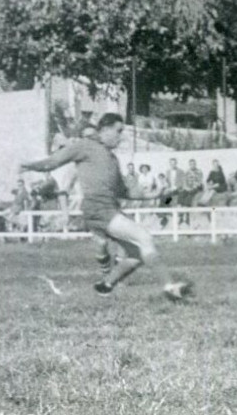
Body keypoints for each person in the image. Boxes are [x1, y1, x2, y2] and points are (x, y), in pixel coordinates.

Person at [22, 112, 191, 298]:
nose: (120, 137)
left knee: (136, 255)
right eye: (118, 131)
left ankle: (105, 285)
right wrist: (26, 165)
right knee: (145, 238)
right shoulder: (86, 146)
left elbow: (125, 191)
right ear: (104, 129)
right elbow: (52, 162)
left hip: (107, 209)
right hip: (98, 209)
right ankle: (170, 287)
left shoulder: (112, 158)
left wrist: (156, 193)